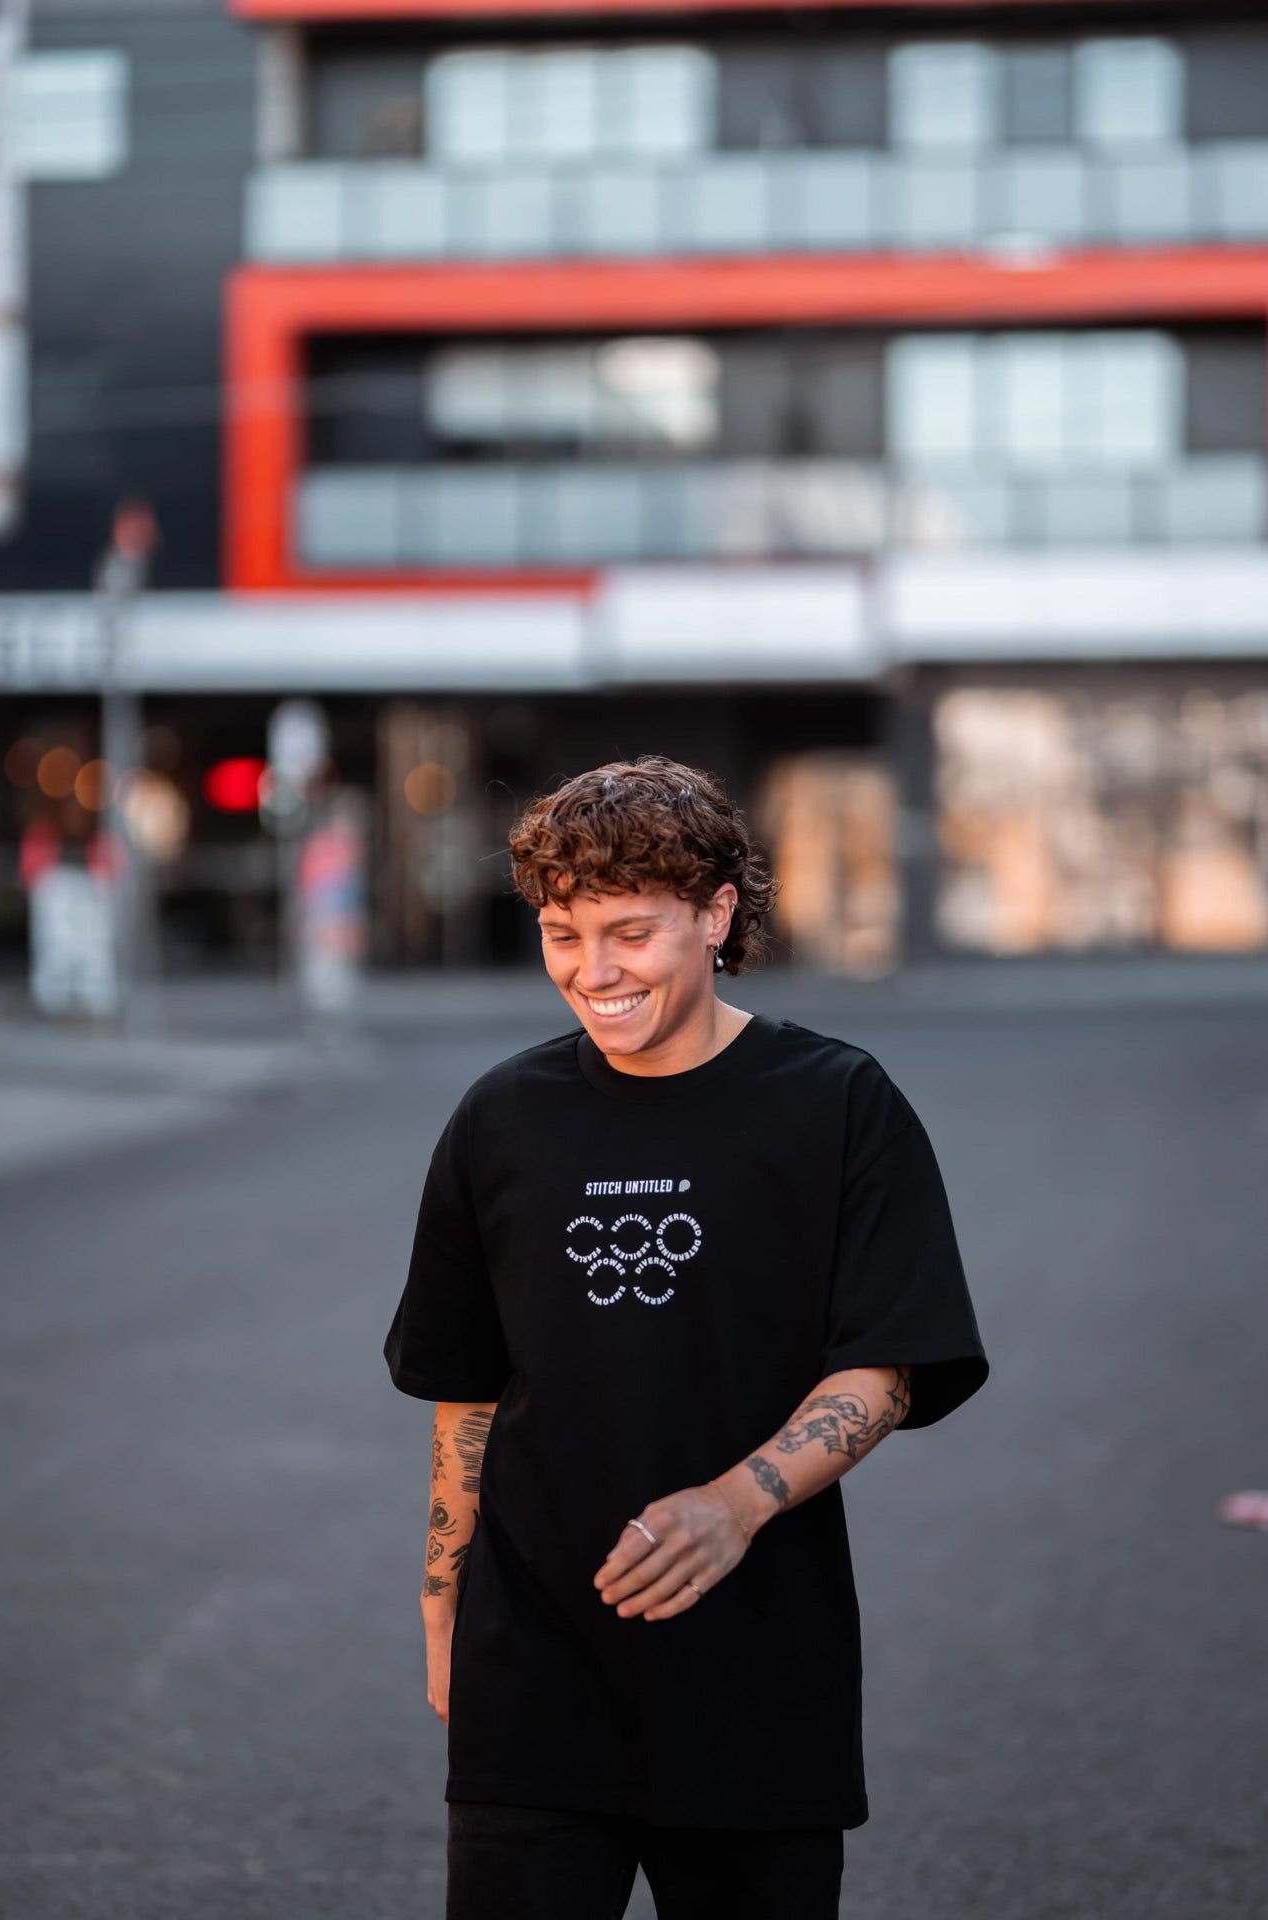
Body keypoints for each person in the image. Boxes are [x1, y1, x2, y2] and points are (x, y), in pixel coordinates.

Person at [383, 755, 989, 1920]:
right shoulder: (499, 1118)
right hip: (538, 1666)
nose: (592, 972)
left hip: (759, 1671)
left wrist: (738, 1501)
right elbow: (467, 1390)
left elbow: (886, 1366)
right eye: (563, 933)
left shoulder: (838, 1102)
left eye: (629, 932)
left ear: (716, 915)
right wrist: (441, 1600)